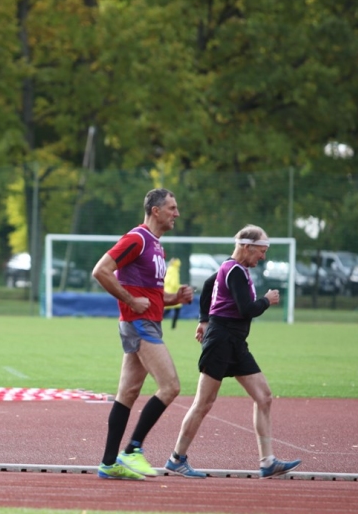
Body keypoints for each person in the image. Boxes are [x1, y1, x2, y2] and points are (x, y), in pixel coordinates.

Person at [166, 225, 302, 479]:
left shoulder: (231, 269)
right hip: (221, 341)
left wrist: (203, 319)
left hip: (235, 343)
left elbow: (208, 286)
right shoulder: (235, 271)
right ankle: (176, 459)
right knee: (203, 403)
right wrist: (267, 300)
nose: (263, 257)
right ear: (247, 246)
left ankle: (267, 462)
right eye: (261, 250)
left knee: (264, 396)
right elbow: (246, 309)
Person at [91, 188, 194, 481]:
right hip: (138, 324)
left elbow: (150, 294)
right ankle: (133, 449)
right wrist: (130, 301)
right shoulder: (137, 238)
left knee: (128, 393)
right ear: (156, 211)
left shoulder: (157, 245)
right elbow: (101, 271)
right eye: (172, 208)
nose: (177, 213)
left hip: (148, 321)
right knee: (170, 386)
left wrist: (176, 298)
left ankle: (109, 463)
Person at [165, 257, 183, 329]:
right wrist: (180, 286)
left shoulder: (168, 269)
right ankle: (173, 326)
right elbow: (174, 283)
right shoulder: (175, 270)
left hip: (167, 291)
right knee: (177, 310)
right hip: (174, 292)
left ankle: (156, 320)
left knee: (167, 309)